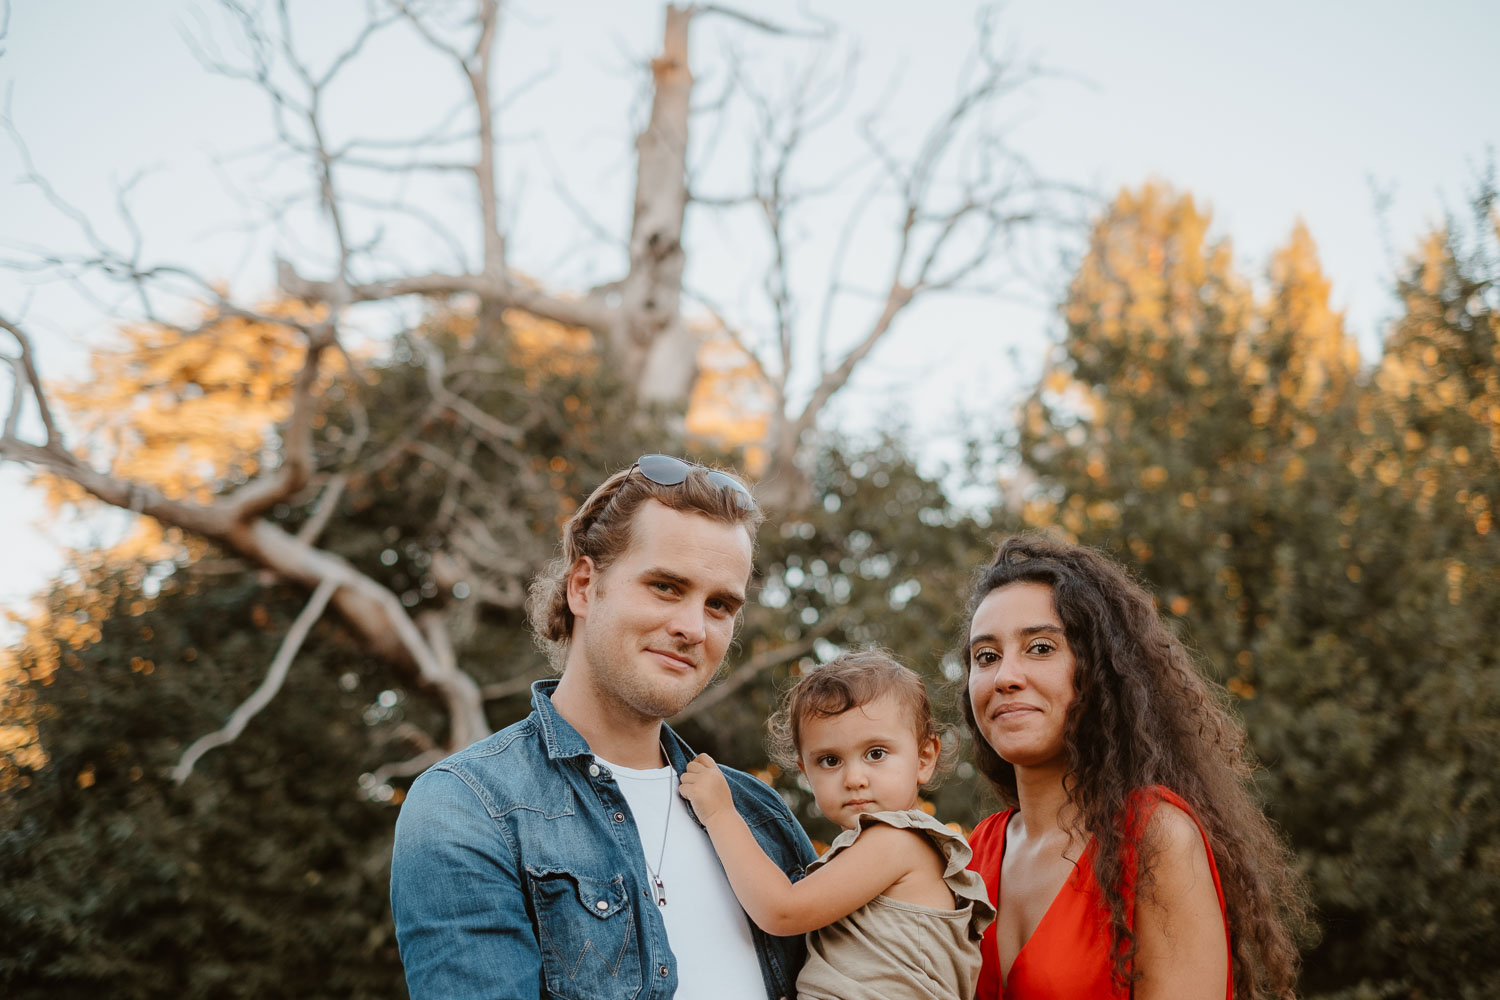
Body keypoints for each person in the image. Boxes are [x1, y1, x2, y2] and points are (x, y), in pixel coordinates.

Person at [389, 454, 818, 1000]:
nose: (692, 627)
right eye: (666, 586)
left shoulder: (761, 817)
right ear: (585, 586)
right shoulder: (466, 808)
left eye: (719, 605)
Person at [959, 535, 1309, 1000]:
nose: (1005, 677)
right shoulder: (970, 854)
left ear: (1099, 669)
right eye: (986, 657)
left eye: (1040, 648)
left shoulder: (1152, 836)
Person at [679, 650, 995, 1000]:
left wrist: (721, 814)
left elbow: (782, 911)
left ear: (924, 759)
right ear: (806, 772)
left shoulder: (898, 841)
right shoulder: (873, 847)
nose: (854, 778)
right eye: (830, 760)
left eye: (876, 753)